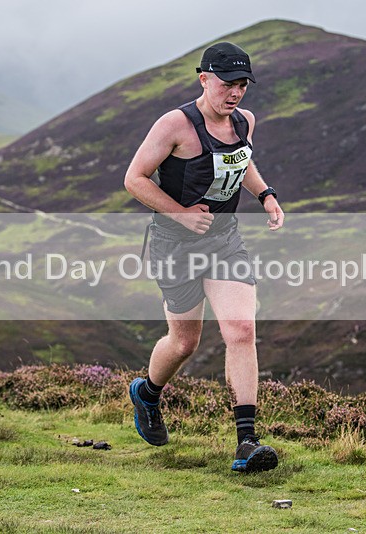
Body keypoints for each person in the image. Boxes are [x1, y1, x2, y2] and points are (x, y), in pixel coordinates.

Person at [124, 42, 284, 472]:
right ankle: (147, 393)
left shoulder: (244, 122)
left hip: (224, 240)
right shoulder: (175, 125)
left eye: (242, 85)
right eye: (227, 84)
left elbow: (242, 162)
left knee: (241, 329)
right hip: (174, 245)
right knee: (184, 342)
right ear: (204, 79)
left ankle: (246, 443)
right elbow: (134, 179)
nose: (234, 93)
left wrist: (265, 195)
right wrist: (178, 213)